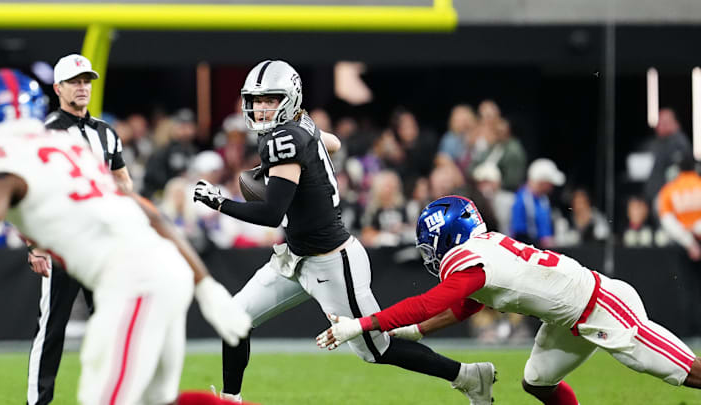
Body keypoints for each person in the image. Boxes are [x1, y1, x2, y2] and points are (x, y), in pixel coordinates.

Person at [192, 60, 495, 404]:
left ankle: (468, 376)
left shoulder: (284, 138)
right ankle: (230, 399)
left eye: (270, 100)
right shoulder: (301, 126)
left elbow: (272, 213)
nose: (261, 109)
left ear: (289, 98)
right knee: (235, 319)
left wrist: (218, 202)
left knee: (374, 349)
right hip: (294, 258)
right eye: (257, 100)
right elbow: (331, 142)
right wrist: (307, 155)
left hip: (332, 264)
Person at [0, 68, 251, 405]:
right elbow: (147, 212)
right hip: (168, 270)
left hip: (133, 282)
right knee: (156, 400)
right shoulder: (69, 147)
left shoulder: (0, 159)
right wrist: (206, 286)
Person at [317, 195, 701, 405]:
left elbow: (429, 302)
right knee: (536, 382)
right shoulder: (483, 252)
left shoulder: (468, 261)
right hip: (569, 319)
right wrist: (415, 333)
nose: (430, 254)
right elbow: (466, 306)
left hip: (603, 306)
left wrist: (361, 324)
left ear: (445, 238)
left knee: (682, 371)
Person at [26, 53, 133, 405]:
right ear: (58, 88)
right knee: (53, 328)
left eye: (86, 81)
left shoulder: (105, 132)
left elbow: (122, 180)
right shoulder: (46, 133)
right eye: (74, 81)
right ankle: (37, 401)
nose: (83, 87)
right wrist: (36, 244)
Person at [510, 158, 565, 247]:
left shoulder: (543, 199)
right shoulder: (521, 200)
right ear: (542, 182)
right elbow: (518, 234)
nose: (552, 187)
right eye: (549, 183)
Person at [657, 153, 701, 262]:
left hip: (681, 245)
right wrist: (696, 228)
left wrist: (689, 242)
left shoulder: (668, 190)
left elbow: (667, 220)